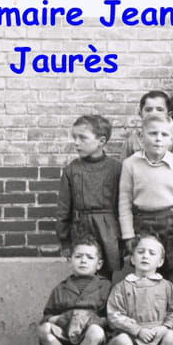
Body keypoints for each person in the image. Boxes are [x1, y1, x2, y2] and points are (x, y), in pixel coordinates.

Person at [119, 114, 173, 294]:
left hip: (172, 224)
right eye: (153, 133)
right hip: (142, 224)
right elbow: (124, 202)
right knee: (144, 272)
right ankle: (144, 307)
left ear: (172, 139)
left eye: (164, 134)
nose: (158, 139)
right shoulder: (130, 164)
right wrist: (128, 235)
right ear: (141, 137)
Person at [36, 235, 109, 345]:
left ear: (99, 264)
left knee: (96, 331)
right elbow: (47, 316)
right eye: (78, 256)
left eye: (89, 257)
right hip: (65, 341)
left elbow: (110, 318)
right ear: (70, 261)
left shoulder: (105, 286)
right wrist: (62, 318)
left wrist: (89, 318)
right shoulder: (60, 289)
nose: (83, 260)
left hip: (89, 343)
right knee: (44, 329)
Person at [107, 234, 173, 345]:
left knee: (172, 337)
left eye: (152, 253)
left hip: (157, 335)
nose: (145, 256)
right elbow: (114, 315)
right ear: (133, 259)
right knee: (121, 339)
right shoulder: (122, 287)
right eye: (140, 252)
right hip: (132, 337)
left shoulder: (167, 287)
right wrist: (137, 330)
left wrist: (164, 327)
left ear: (160, 262)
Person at [56, 114, 121, 279]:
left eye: (82, 138)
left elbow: (124, 205)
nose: (76, 143)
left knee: (105, 278)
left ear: (101, 141)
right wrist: (65, 241)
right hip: (81, 229)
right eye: (75, 138)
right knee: (83, 272)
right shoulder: (72, 170)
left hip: (108, 231)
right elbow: (63, 210)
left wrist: (124, 239)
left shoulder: (116, 169)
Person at [120, 91, 173, 161]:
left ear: (169, 115)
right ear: (140, 114)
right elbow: (123, 165)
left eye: (159, 110)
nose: (154, 113)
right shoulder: (132, 141)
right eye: (148, 110)